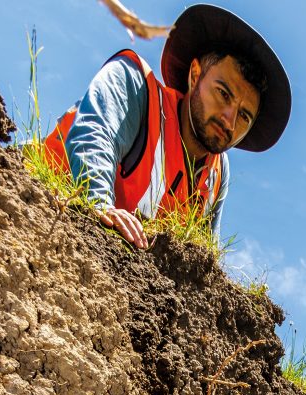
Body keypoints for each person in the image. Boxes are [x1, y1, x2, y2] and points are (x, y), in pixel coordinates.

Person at [42, 4, 291, 249]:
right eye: (223, 94)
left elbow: (202, 254)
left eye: (244, 116)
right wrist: (97, 202)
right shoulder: (136, 84)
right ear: (195, 76)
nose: (229, 119)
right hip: (41, 212)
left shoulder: (216, 175)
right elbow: (94, 135)